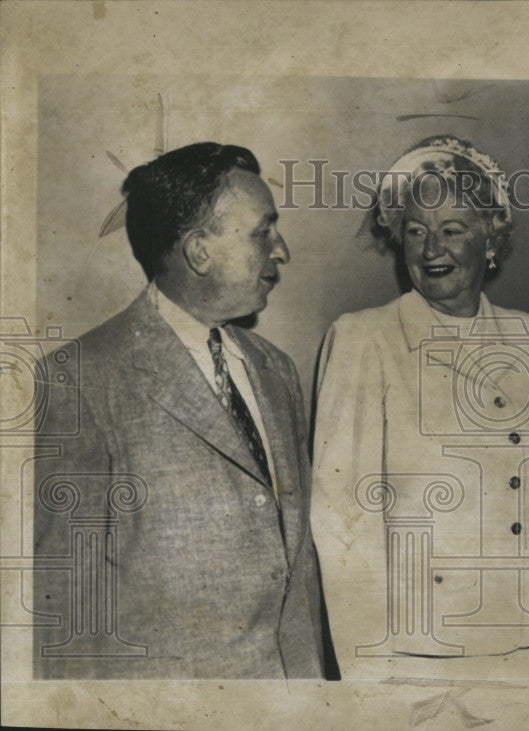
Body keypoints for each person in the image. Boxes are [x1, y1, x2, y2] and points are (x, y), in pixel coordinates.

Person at [32, 142, 326, 679]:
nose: (281, 250)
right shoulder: (77, 380)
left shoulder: (277, 370)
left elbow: (298, 570)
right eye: (263, 230)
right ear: (199, 251)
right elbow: (61, 610)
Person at [311, 134, 529, 679]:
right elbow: (342, 524)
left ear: (490, 238)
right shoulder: (365, 339)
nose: (431, 250)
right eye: (415, 231)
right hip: (420, 655)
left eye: (452, 230)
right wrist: (371, 676)